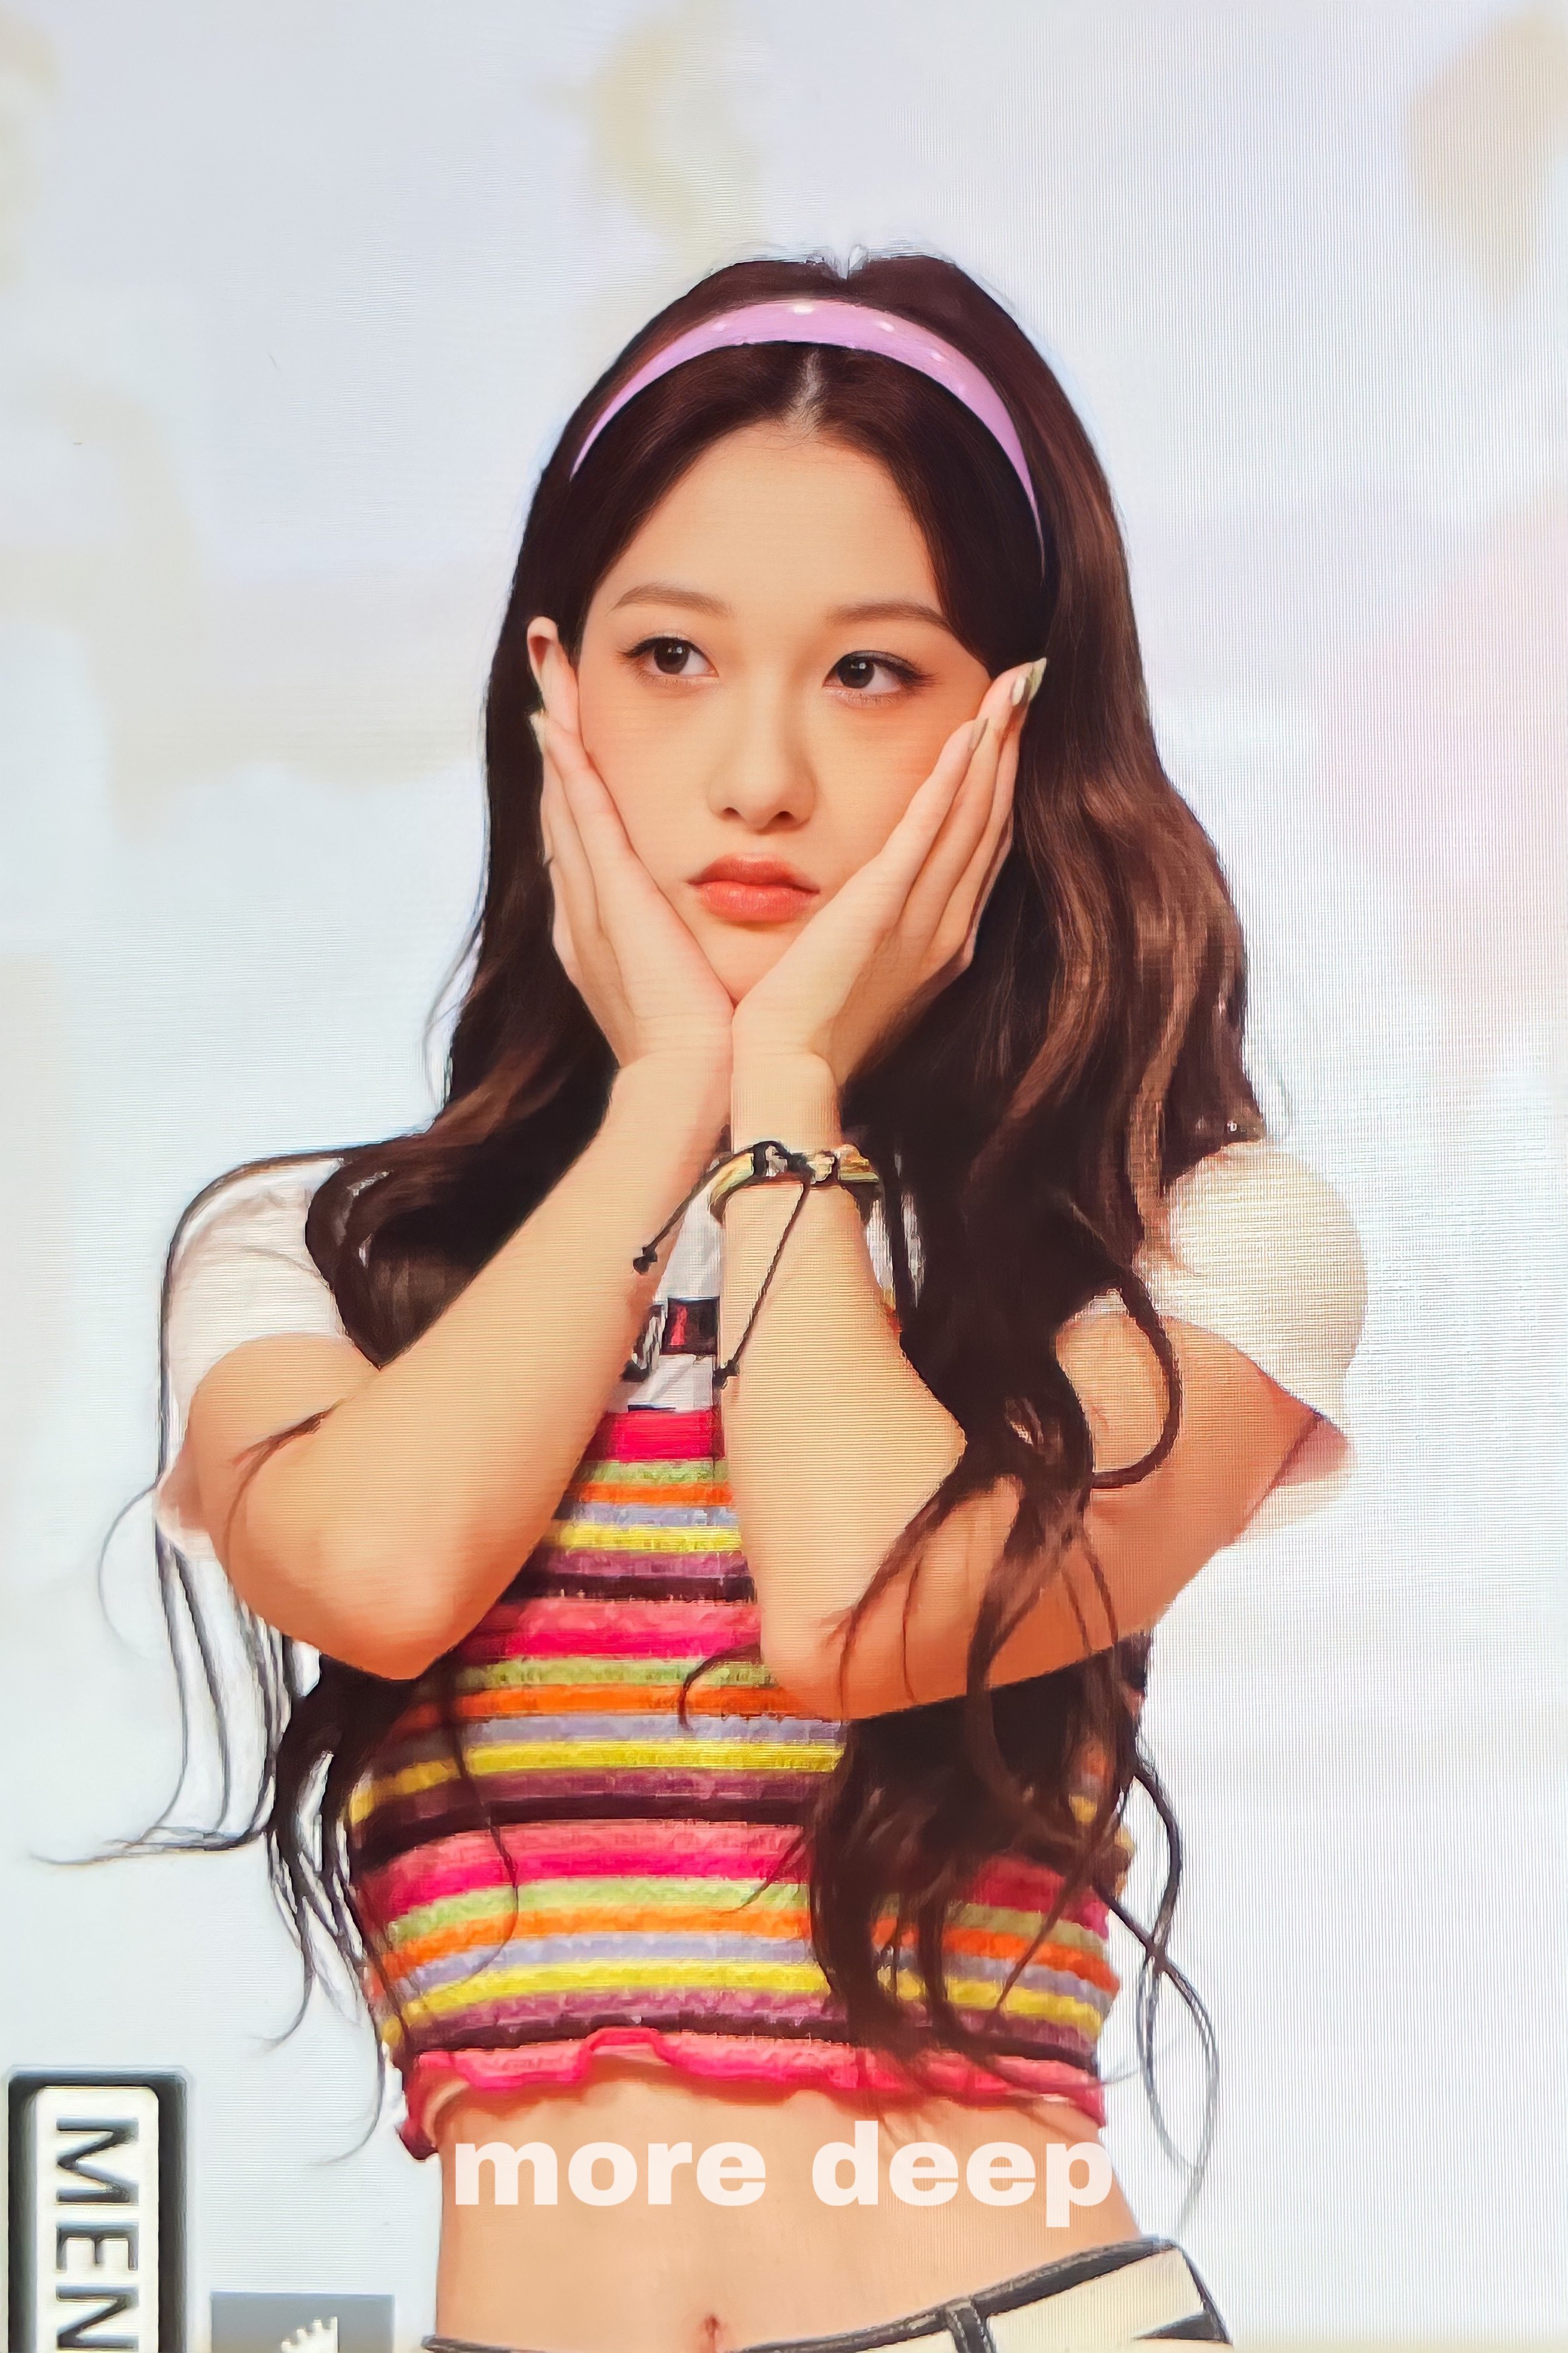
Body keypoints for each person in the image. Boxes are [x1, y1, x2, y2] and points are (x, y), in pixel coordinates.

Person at [147, 252, 1366, 2353]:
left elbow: (860, 1615)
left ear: (1019, 717)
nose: (761, 775)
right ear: (555, 689)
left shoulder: (1192, 1242)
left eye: (873, 672)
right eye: (674, 656)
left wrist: (785, 1095)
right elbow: (379, 1573)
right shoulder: (316, 1253)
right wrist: (660, 1112)